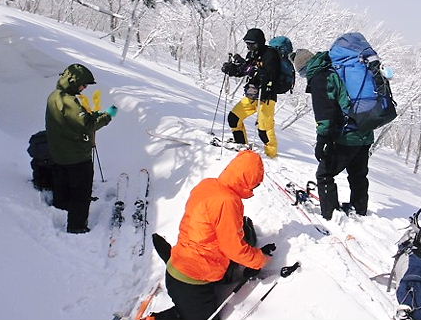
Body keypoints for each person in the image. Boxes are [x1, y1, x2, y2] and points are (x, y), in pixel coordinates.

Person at [151, 150, 274, 320]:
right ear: (248, 180)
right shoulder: (228, 201)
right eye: (256, 183)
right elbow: (234, 249)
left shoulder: (208, 185)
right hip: (190, 282)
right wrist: (261, 259)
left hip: (183, 263)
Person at [290, 48, 374, 220]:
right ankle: (360, 210)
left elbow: (325, 114)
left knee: (324, 174)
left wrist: (322, 141)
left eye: (302, 73)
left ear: (304, 68)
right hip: (365, 128)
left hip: (347, 135)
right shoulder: (335, 69)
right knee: (358, 174)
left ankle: (330, 215)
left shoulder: (320, 78)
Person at [45, 63, 114, 233]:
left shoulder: (54, 96)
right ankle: (77, 226)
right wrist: (108, 116)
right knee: (81, 193)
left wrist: (91, 115)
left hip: (58, 154)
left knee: (63, 184)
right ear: (73, 81)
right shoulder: (69, 101)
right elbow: (88, 126)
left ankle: (61, 207)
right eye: (83, 84)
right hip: (76, 158)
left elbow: (74, 121)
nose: (84, 88)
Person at [221, 28, 280, 158]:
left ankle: (272, 155)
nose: (249, 46)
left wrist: (252, 69)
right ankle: (241, 143)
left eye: (252, 43)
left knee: (264, 129)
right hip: (252, 95)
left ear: (259, 42)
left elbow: (269, 75)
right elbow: (244, 70)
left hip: (266, 98)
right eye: (247, 43)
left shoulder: (270, 54)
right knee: (233, 118)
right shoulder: (251, 54)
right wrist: (232, 70)